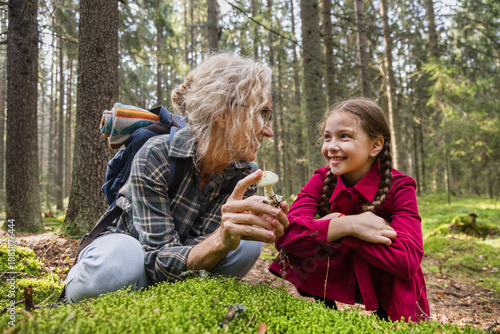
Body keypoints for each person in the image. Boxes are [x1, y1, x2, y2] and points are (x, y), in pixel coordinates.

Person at [65, 53, 289, 302]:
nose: (269, 130)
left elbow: (200, 248)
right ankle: (80, 294)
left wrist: (226, 237)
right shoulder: (156, 155)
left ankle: (184, 305)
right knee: (124, 260)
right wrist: (218, 241)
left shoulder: (244, 173)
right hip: (132, 255)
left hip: (180, 266)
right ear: (223, 114)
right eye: (262, 113)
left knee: (246, 241)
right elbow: (157, 259)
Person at [269, 98, 429, 322]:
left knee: (401, 276)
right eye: (327, 136)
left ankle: (392, 320)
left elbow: (408, 260)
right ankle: (327, 314)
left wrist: (337, 231)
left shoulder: (400, 186)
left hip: (386, 285)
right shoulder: (321, 178)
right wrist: (347, 225)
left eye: (345, 136)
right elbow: (286, 235)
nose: (331, 146)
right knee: (301, 243)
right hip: (340, 273)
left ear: (375, 145)